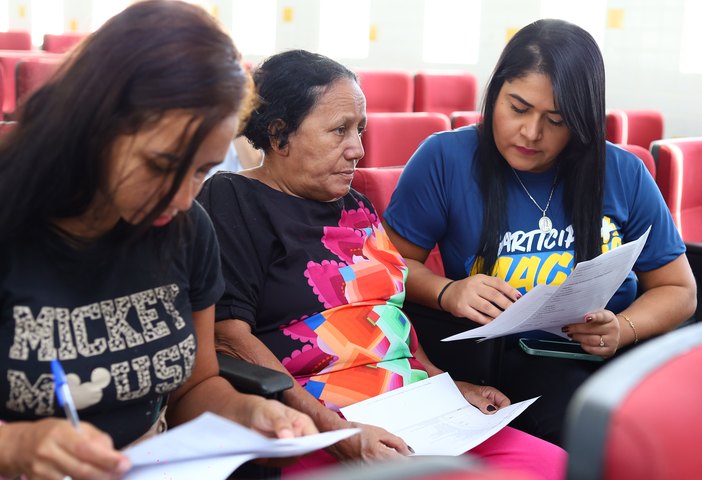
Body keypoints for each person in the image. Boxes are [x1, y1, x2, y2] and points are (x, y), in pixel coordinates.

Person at [198, 49, 566, 479]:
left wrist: (444, 385)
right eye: (339, 131)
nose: (357, 149)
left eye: (360, 129)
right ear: (279, 134)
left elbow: (388, 314)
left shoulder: (356, 205)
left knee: (553, 466)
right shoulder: (233, 200)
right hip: (315, 417)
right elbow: (227, 335)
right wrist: (338, 432)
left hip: (410, 408)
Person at [0, 2, 317, 479]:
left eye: (202, 172)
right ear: (92, 124)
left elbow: (194, 388)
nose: (185, 198)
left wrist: (250, 414)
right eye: (161, 166)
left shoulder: (187, 231)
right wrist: (17, 442)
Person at [382, 19, 698, 445]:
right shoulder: (446, 158)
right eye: (517, 108)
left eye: (556, 119)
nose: (531, 133)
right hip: (505, 359)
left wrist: (623, 328)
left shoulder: (621, 171)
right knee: (597, 434)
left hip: (607, 356)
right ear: (495, 94)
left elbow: (679, 289)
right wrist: (447, 291)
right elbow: (388, 268)